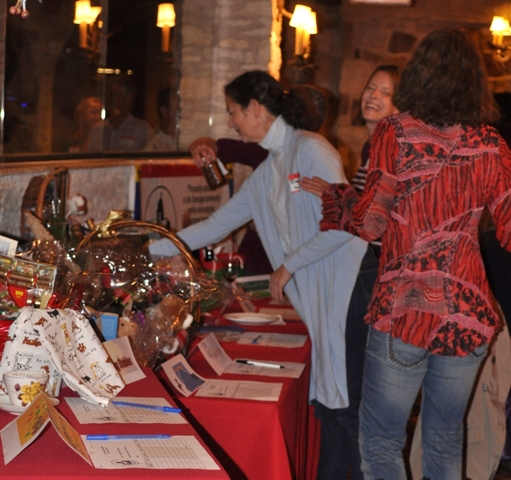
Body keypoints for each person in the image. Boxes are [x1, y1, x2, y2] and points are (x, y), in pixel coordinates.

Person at [301, 28, 511, 480]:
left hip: (405, 310)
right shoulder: (491, 145)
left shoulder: (395, 133)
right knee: (445, 441)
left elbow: (371, 224)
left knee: (381, 442)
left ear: (416, 75)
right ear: (474, 80)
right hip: (467, 313)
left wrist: (339, 199)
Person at [148, 70, 369, 478]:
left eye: (233, 111)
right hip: (318, 301)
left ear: (254, 108)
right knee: (329, 409)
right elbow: (215, 226)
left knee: (348, 414)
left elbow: (344, 226)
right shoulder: (269, 170)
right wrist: (149, 247)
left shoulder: (312, 149)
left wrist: (288, 265)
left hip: (348, 292)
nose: (231, 121)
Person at [188, 84, 329, 276]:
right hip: (257, 256)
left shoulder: (316, 157)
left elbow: (323, 225)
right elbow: (215, 146)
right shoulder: (266, 149)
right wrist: (199, 146)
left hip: (294, 265)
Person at [87, 74, 153, 153]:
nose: (108, 99)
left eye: (112, 94)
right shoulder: (97, 130)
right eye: (106, 94)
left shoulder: (142, 130)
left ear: (128, 98)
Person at [144, 87, 178, 152]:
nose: (183, 113)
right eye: (177, 108)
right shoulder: (153, 146)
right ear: (164, 111)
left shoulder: (186, 139)